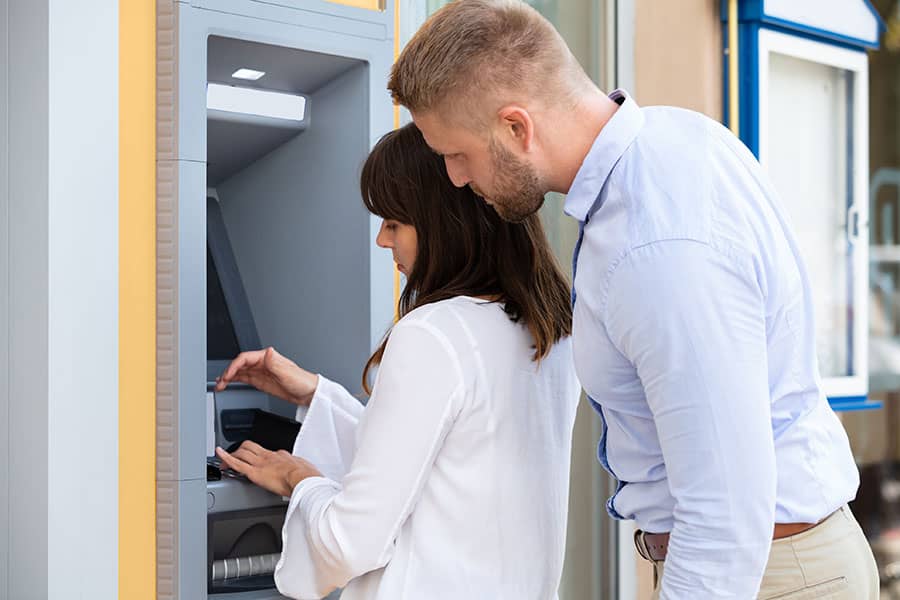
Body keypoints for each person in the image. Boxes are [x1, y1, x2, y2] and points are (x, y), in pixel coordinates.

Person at [388, 1, 880, 598]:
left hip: (766, 576)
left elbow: (725, 516)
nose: (456, 180)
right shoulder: (674, 141)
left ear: (517, 127)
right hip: (764, 566)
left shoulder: (657, 244)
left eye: (455, 155)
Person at [214, 122, 580, 600]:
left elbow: (350, 543)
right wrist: (319, 395)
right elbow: (447, 471)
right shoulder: (550, 328)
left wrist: (297, 478)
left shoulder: (432, 334)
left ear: (446, 223)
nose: (382, 242)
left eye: (394, 223)